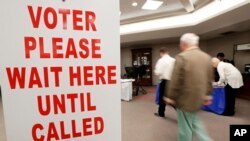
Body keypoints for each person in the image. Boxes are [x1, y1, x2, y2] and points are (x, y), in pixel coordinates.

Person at [164, 33, 213, 141]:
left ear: (184, 44)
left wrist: (170, 96)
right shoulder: (206, 57)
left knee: (184, 127)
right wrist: (208, 95)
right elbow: (210, 79)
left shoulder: (182, 57)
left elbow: (175, 79)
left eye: (181, 44)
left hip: (185, 98)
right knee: (194, 121)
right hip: (198, 97)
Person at [154, 47, 175, 117]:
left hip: (164, 81)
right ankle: (183, 115)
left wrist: (156, 72)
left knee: (162, 98)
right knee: (172, 98)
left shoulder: (161, 60)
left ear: (161, 53)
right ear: (167, 52)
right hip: (173, 81)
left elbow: (158, 72)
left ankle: (161, 113)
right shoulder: (173, 60)